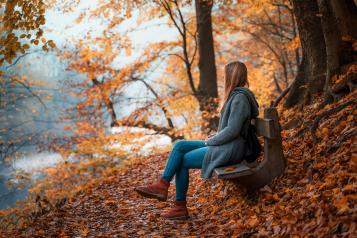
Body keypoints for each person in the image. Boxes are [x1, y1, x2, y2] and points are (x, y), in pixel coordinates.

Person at [134, 61, 259, 220]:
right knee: (180, 146)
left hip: (230, 149)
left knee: (183, 160)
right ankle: (163, 185)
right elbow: (229, 129)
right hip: (227, 144)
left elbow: (232, 130)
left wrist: (211, 142)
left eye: (225, 75)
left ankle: (179, 206)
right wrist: (213, 138)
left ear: (231, 76)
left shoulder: (240, 98)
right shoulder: (237, 96)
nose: (223, 78)